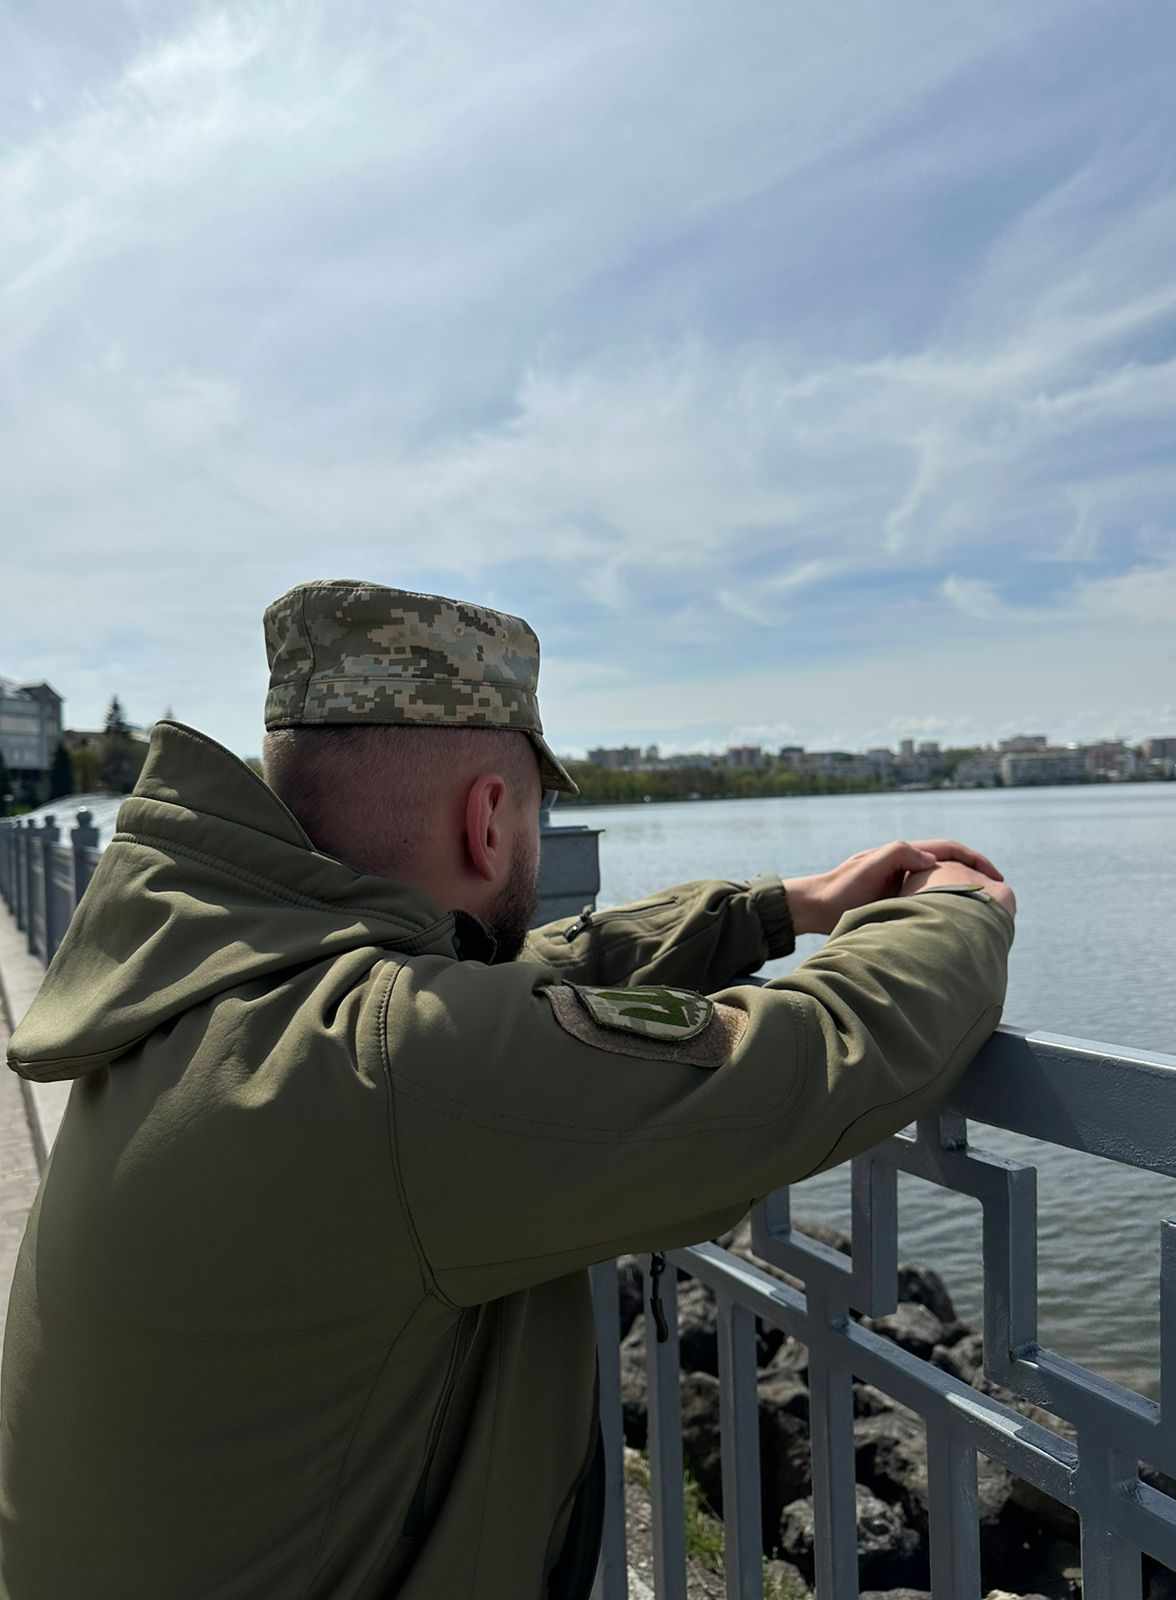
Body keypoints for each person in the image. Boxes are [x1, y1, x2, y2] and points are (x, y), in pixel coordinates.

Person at [0, 579, 1014, 1600]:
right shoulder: (393, 1071)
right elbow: (818, 1054)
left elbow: (510, 983)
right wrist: (959, 908)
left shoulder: (218, 978)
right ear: (488, 818)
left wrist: (773, 912)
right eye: (538, 807)